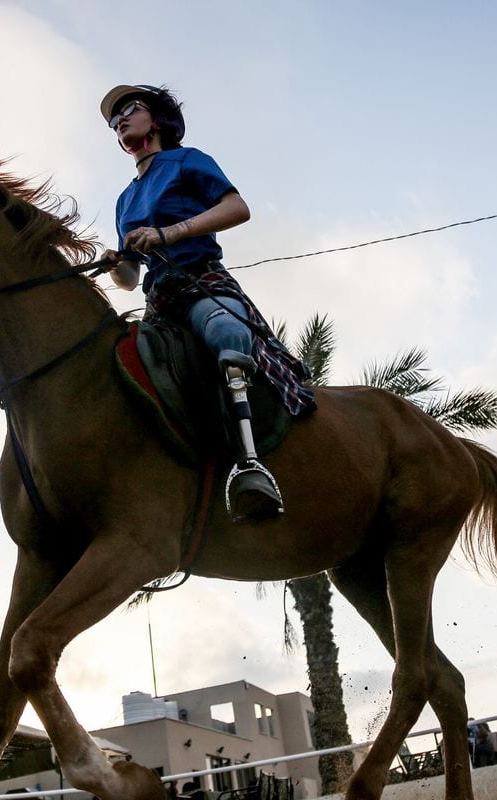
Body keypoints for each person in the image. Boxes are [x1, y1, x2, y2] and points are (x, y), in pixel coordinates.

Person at [100, 84, 316, 523]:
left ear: (156, 120)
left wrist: (170, 233)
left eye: (128, 109)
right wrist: (115, 264)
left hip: (198, 280)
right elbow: (129, 280)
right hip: (158, 302)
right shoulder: (124, 199)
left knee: (226, 332)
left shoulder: (187, 159)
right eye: (113, 118)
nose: (119, 119)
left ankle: (252, 465)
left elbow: (238, 208)